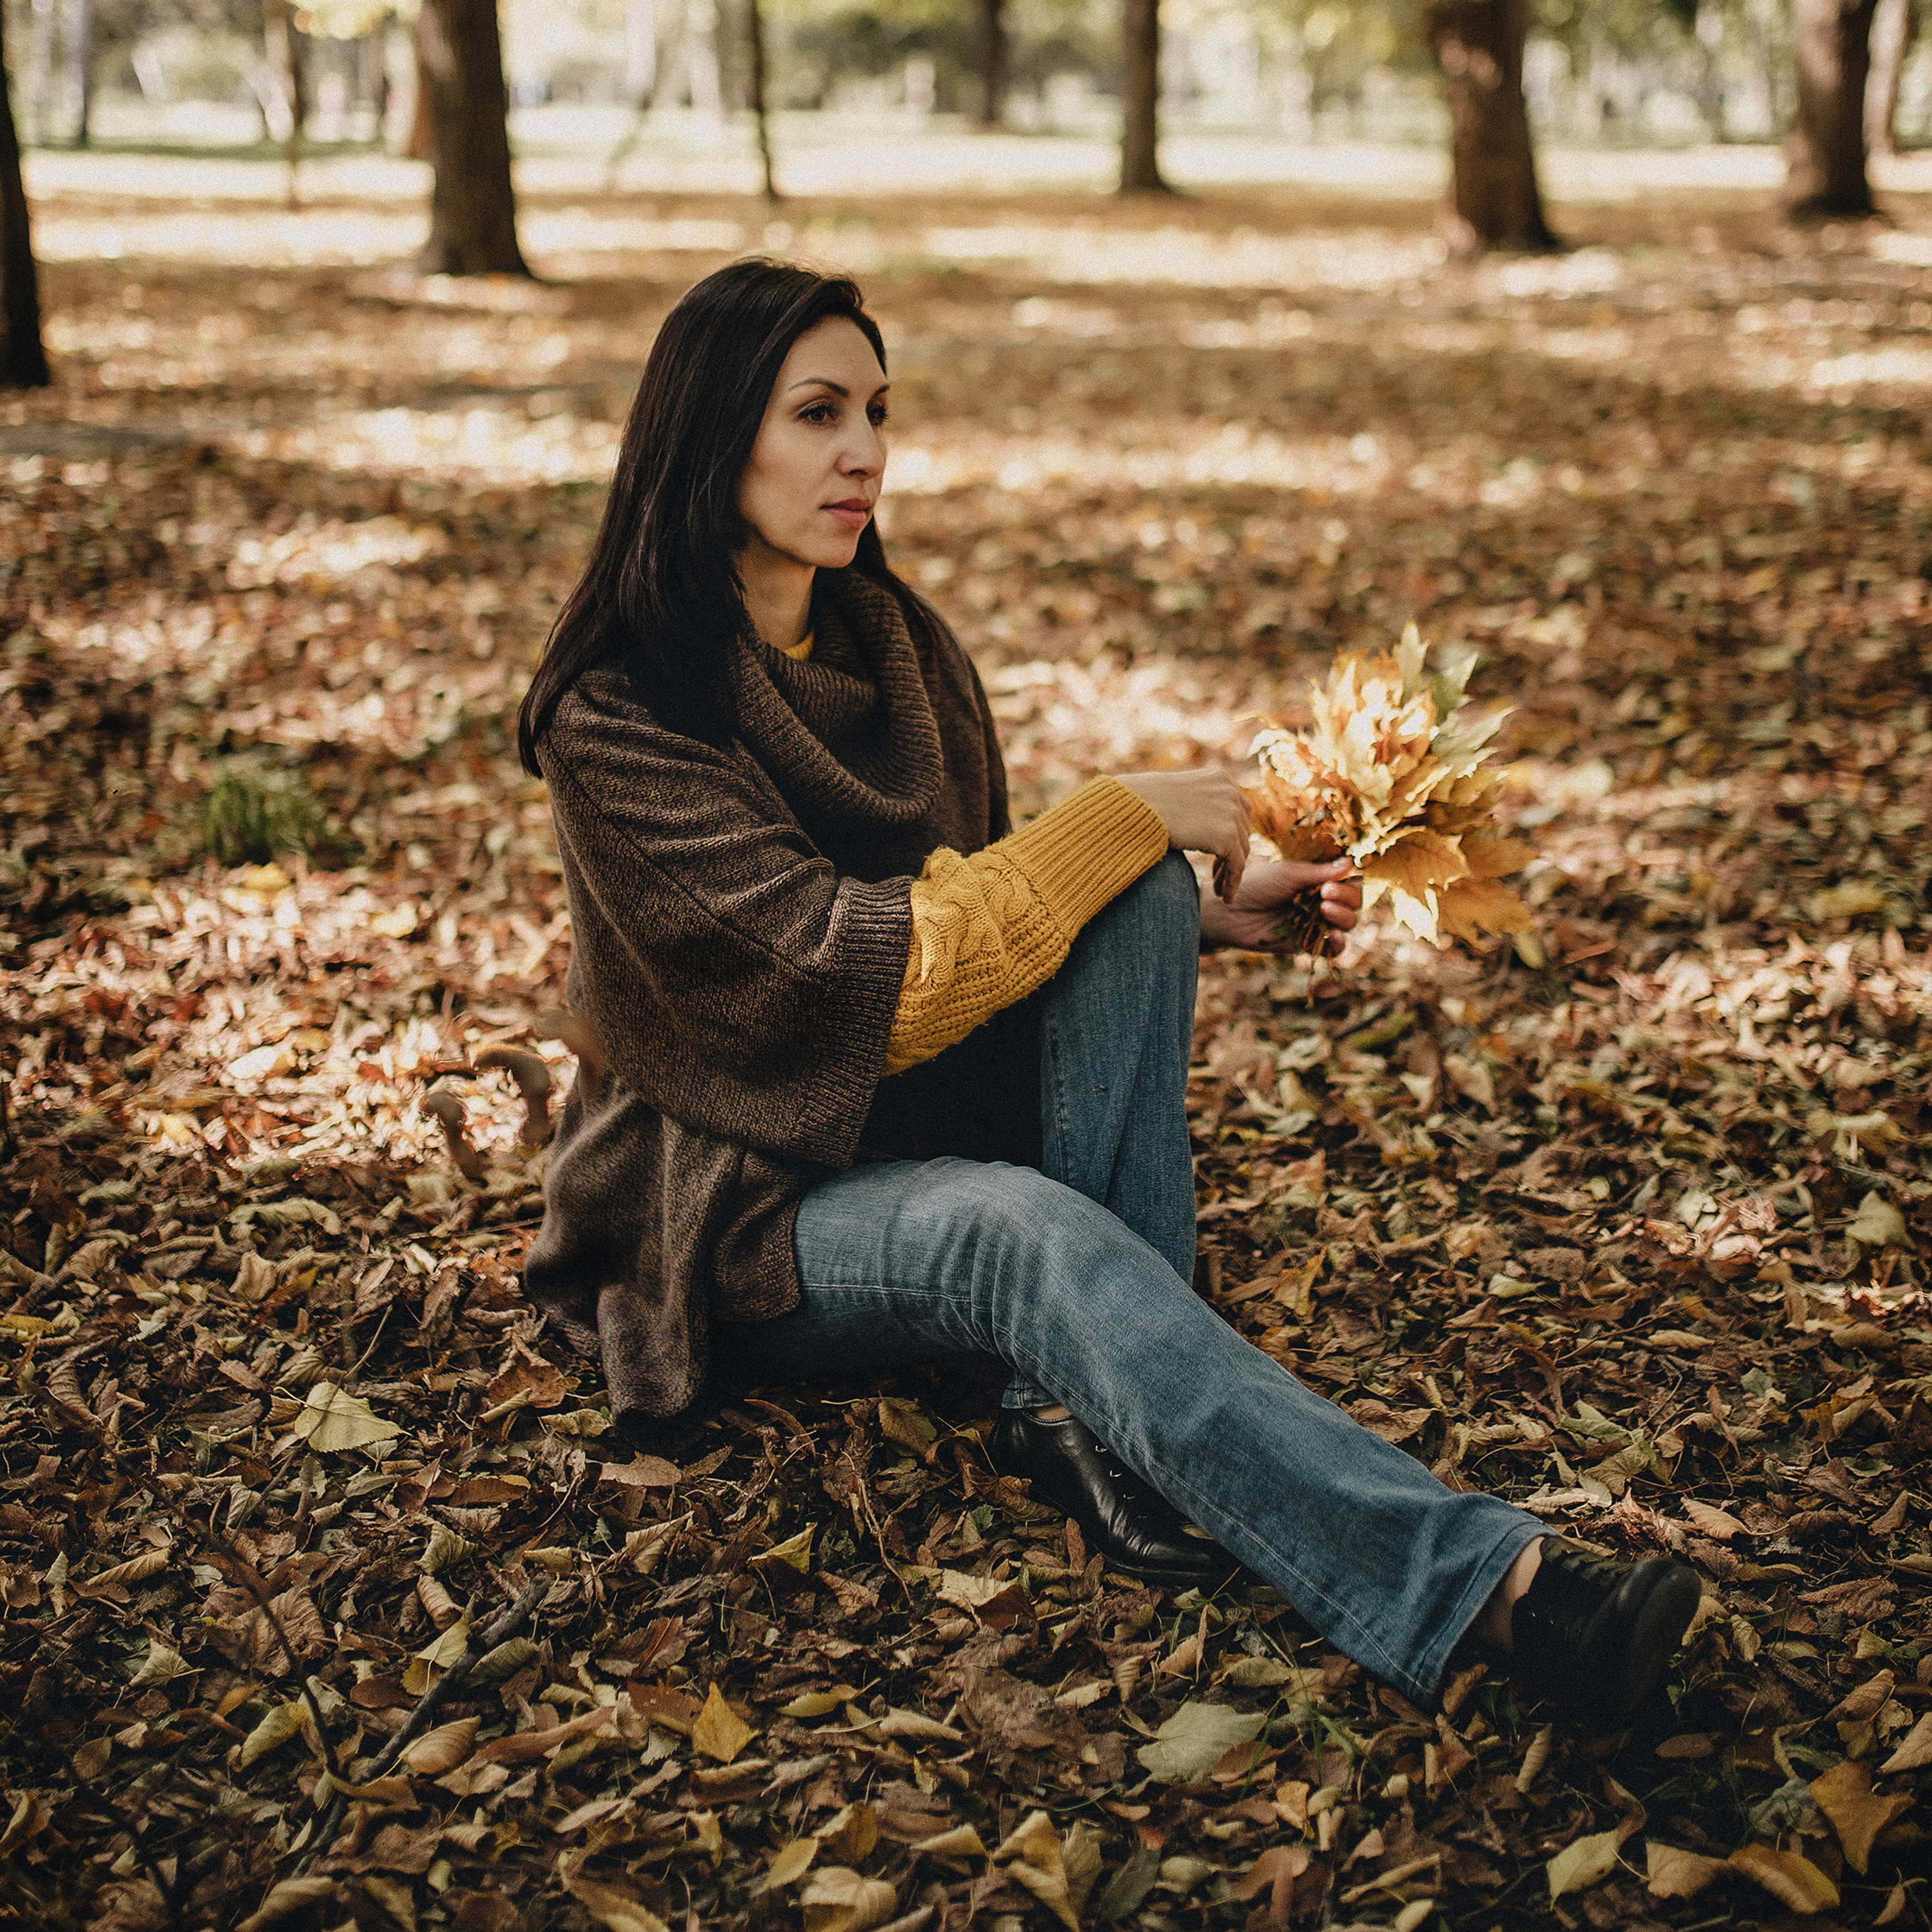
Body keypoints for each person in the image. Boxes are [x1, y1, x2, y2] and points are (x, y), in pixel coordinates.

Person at [514, 259, 1701, 1728]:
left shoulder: (897, 646)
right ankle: (1497, 1589)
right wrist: (1119, 810)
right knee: (1023, 1222)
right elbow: (854, 986)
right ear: (707, 436)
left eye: (878, 410)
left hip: (901, 1114)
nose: (864, 451)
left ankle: (1078, 1410)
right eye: (815, 412)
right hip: (722, 1202)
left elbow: (982, 911)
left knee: (1133, 880)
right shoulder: (619, 709)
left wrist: (1203, 916)